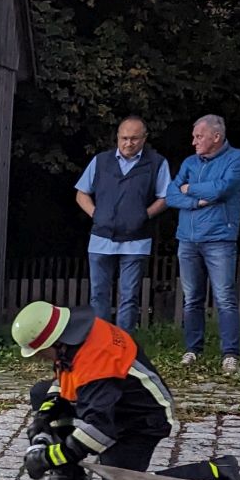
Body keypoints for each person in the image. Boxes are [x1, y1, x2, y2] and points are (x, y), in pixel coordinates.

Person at [10, 300, 240, 480]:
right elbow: (65, 379)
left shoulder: (96, 359)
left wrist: (49, 457)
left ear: (56, 342)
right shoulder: (73, 340)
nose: (39, 358)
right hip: (114, 407)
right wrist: (45, 415)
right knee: (42, 394)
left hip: (139, 422)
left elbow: (100, 430)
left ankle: (216, 473)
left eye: (40, 352)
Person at [163, 114, 240, 375]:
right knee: (191, 299)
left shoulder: (238, 158)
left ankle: (230, 355)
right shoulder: (190, 162)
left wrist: (189, 189)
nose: (194, 142)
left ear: (216, 136)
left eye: (198, 136)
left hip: (219, 238)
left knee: (224, 298)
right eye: (193, 136)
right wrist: (193, 200)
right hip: (187, 239)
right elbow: (170, 195)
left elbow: (222, 190)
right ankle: (193, 350)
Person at [72, 116, 168, 333]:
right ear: (117, 137)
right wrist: (97, 215)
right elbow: (81, 193)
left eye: (134, 138)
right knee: (98, 294)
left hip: (137, 240)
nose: (128, 143)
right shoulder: (101, 161)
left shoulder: (156, 163)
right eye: (124, 138)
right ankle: (100, 342)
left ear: (144, 139)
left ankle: (123, 346)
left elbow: (165, 197)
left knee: (129, 295)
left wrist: (143, 216)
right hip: (100, 238)